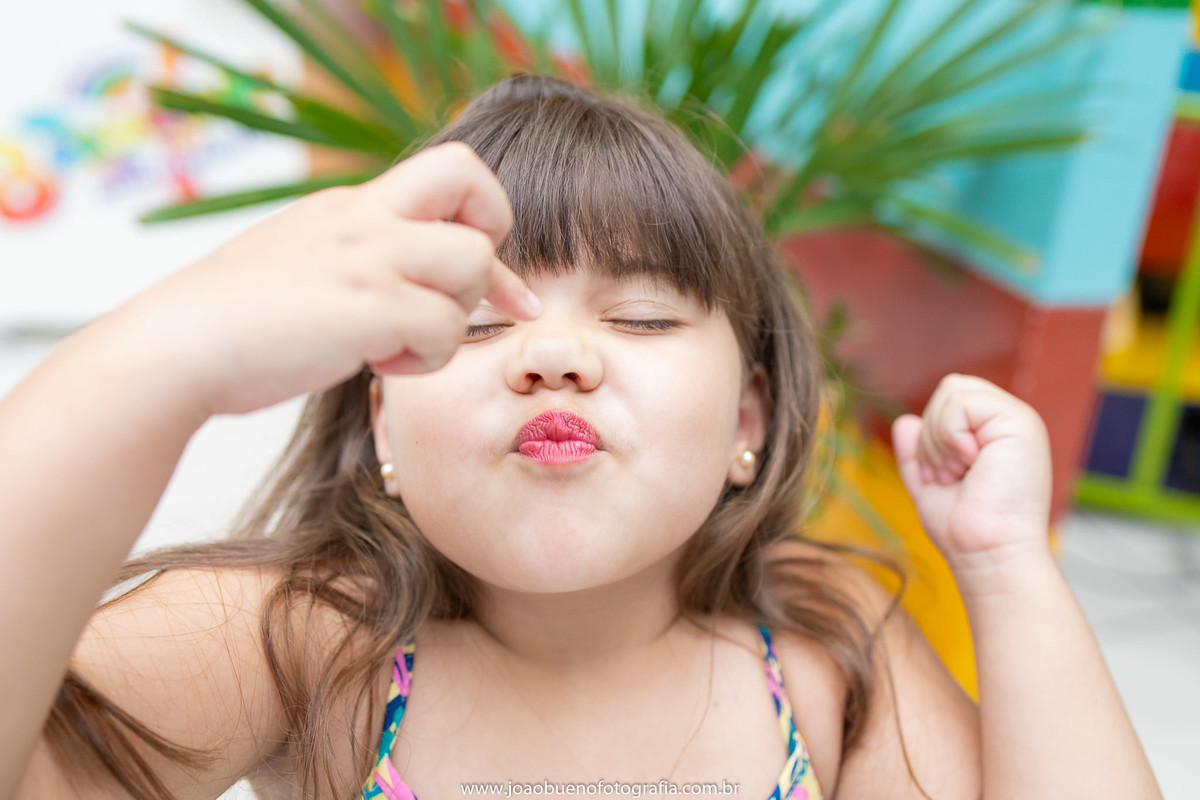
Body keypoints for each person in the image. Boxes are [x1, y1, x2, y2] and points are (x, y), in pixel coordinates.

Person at [1, 74, 1160, 800]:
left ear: (745, 425)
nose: (554, 354)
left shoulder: (826, 651)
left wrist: (1005, 566)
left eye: (643, 315)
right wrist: (157, 355)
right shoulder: (310, 640)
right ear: (380, 416)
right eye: (471, 320)